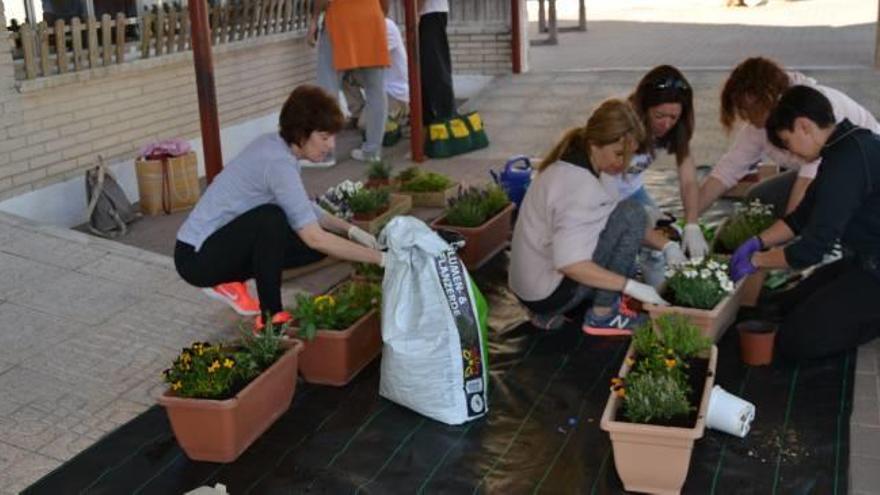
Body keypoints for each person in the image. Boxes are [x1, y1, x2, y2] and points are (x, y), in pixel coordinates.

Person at [174, 85, 385, 330]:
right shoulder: (277, 163)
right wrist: (380, 259)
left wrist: (351, 231)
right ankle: (270, 318)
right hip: (195, 258)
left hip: (220, 243)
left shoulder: (277, 148)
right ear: (301, 132)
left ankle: (231, 280)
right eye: (324, 137)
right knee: (272, 220)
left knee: (307, 243)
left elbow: (303, 208)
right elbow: (315, 237)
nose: (331, 145)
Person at [730, 85, 880, 361]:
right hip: (863, 259)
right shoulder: (841, 149)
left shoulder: (848, 162)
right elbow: (800, 218)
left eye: (787, 142)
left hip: (874, 270)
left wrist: (757, 261)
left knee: (796, 340)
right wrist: (758, 241)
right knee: (783, 305)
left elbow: (812, 250)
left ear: (804, 126)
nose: (791, 154)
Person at [509, 99, 676, 336]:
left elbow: (613, 216)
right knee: (634, 213)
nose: (623, 163)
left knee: (629, 214)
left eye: (629, 155)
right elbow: (571, 264)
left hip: (530, 289)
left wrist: (668, 246)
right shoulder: (580, 187)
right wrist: (629, 286)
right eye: (619, 154)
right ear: (595, 142)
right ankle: (603, 314)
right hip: (547, 294)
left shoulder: (579, 160)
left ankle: (548, 313)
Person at [699, 57, 880, 217]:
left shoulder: (813, 108)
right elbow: (727, 170)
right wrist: (688, 221)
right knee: (760, 197)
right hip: (828, 174)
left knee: (822, 215)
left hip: (866, 176)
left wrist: (786, 245)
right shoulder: (763, 118)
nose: (745, 117)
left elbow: (806, 182)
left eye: (746, 109)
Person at [625, 66, 704, 286]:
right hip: (602, 193)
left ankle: (658, 299)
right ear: (644, 107)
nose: (666, 124)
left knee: (662, 241)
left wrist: (692, 224)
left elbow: (689, 180)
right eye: (659, 115)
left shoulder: (675, 129)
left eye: (674, 117)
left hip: (632, 189)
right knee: (632, 244)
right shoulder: (624, 124)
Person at [308, 0, 389, 163]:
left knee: (327, 88)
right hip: (372, 15)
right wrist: (378, 15)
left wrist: (314, 19)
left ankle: (325, 154)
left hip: (341, 18)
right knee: (376, 90)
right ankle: (372, 151)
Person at [342, 15, 409, 132]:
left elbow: (370, 58)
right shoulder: (363, 27)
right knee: (346, 76)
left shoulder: (386, 26)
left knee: (365, 126)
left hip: (394, 92)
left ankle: (403, 111)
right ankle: (358, 113)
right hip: (379, 85)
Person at [418, 0, 455, 125]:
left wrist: (415, 10)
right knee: (426, 68)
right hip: (428, 13)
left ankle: (446, 116)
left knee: (435, 67)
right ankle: (428, 117)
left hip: (430, 13)